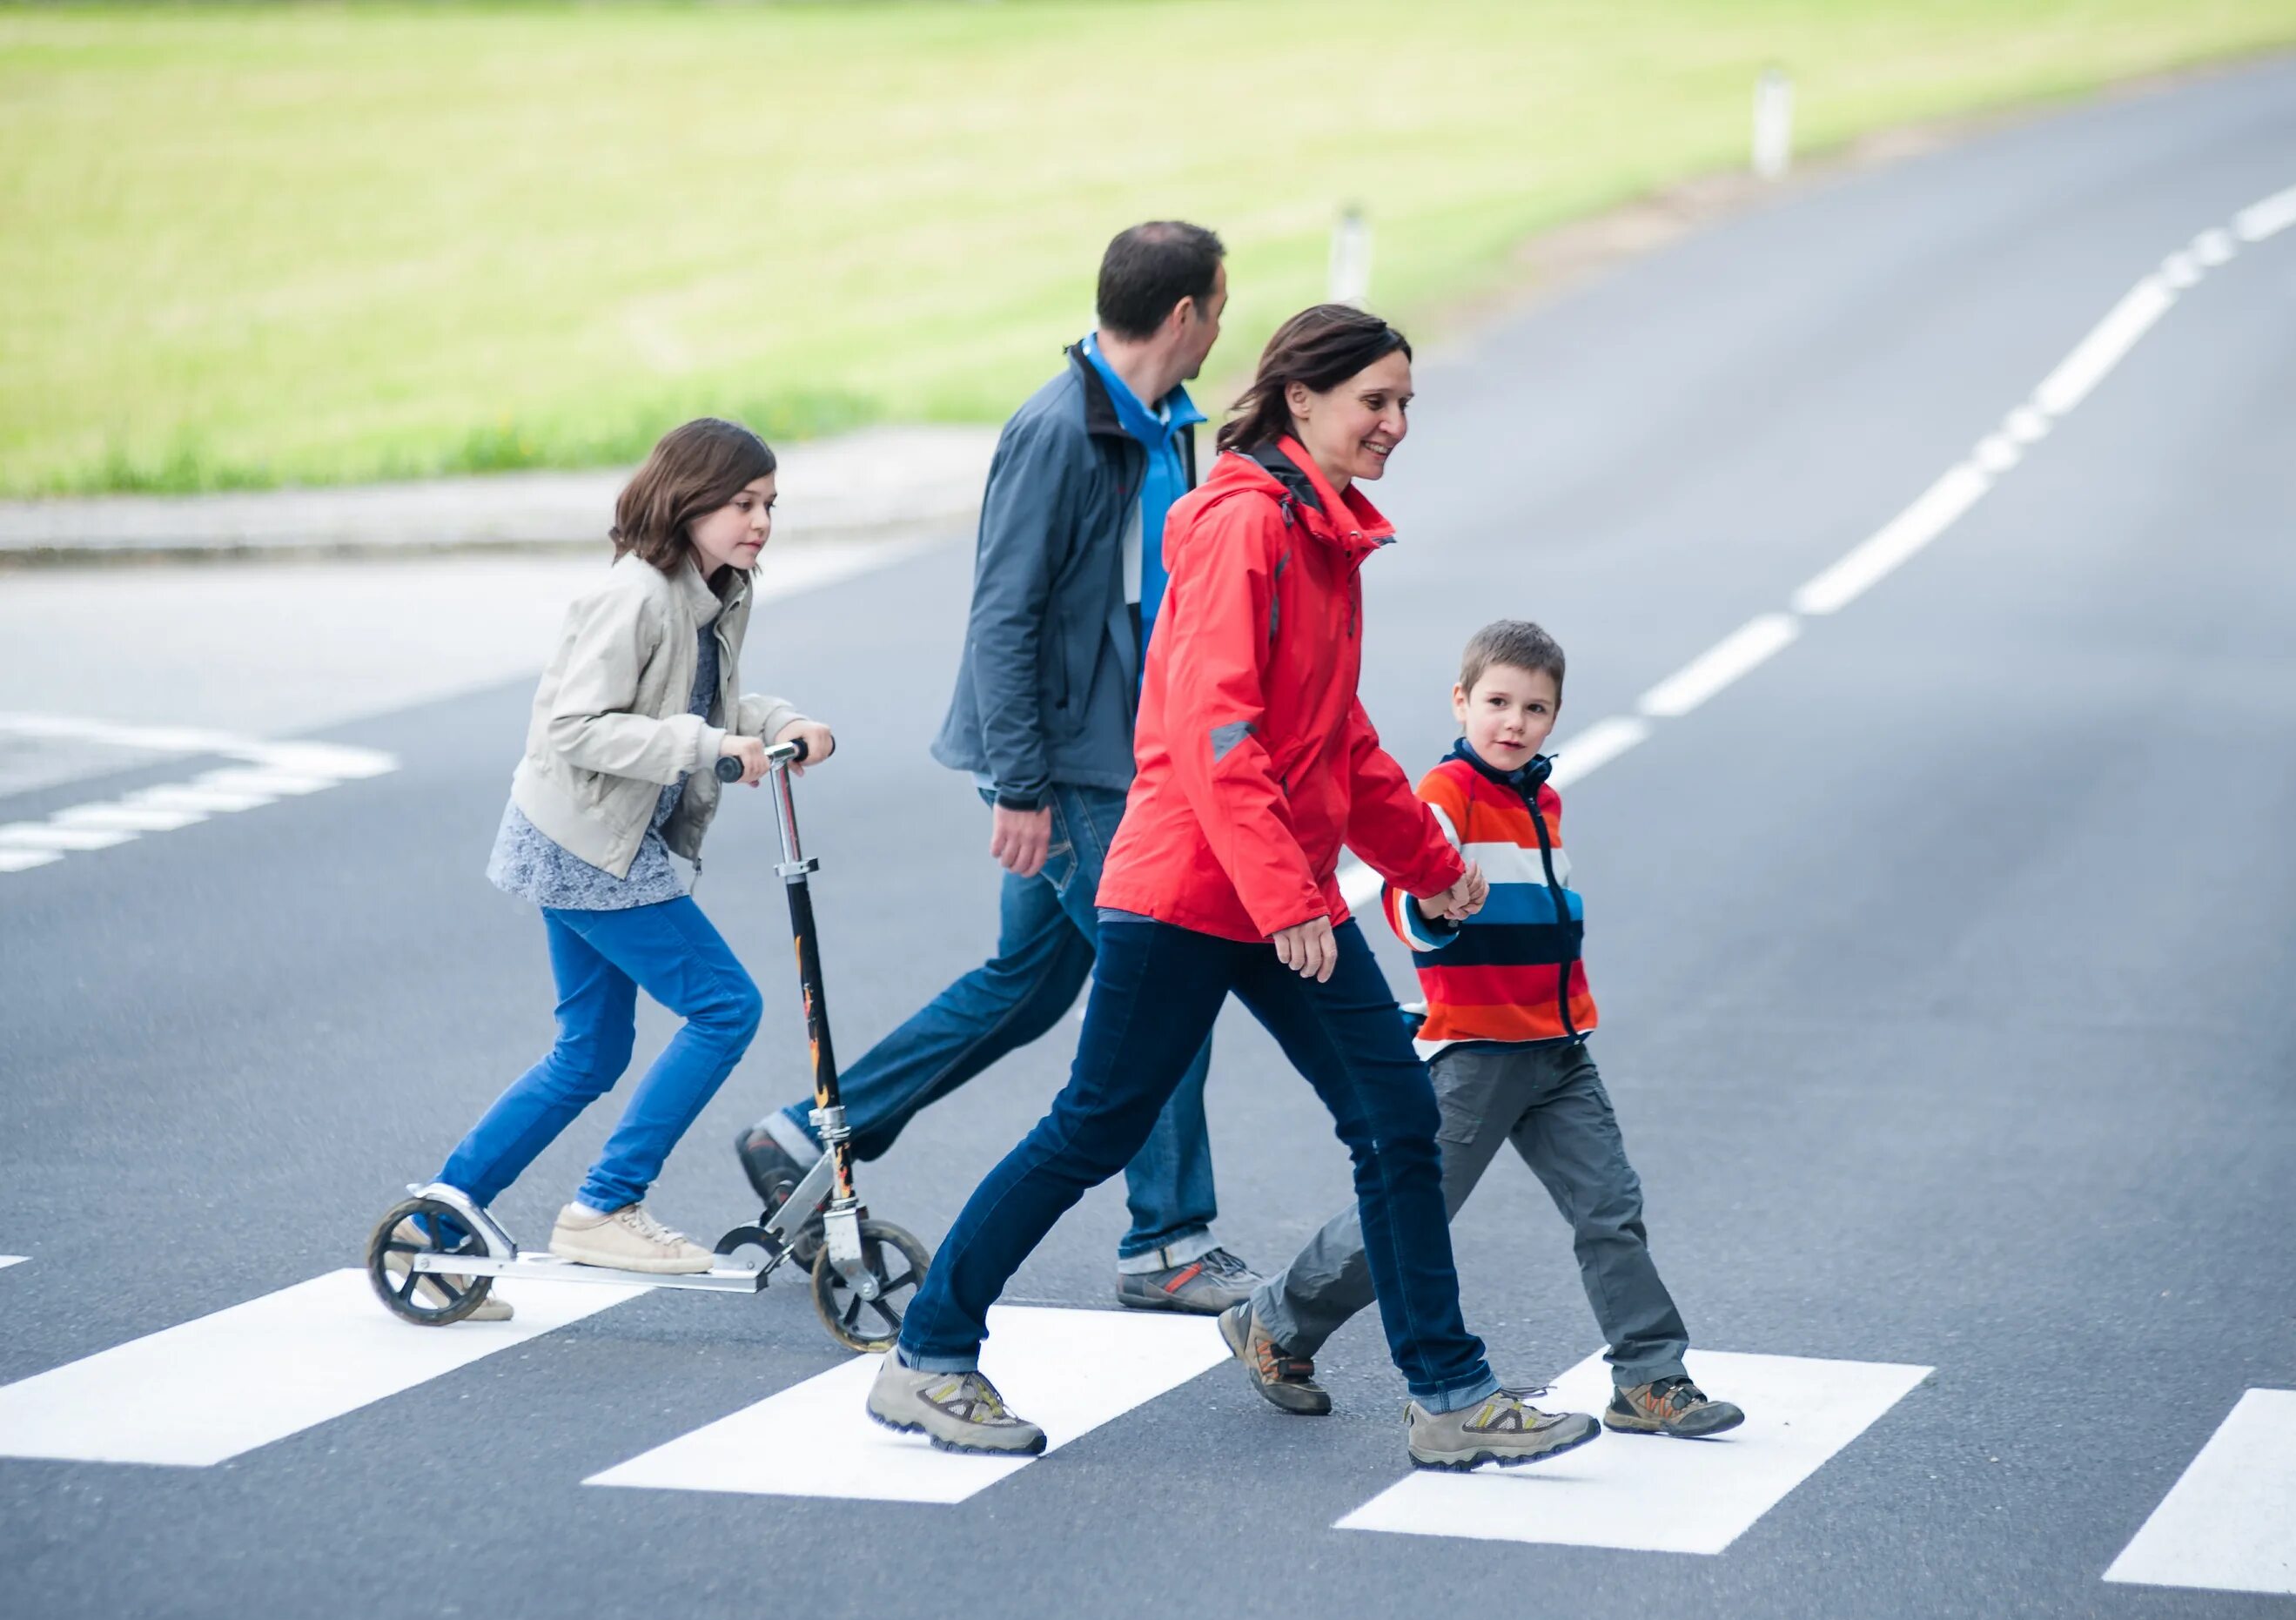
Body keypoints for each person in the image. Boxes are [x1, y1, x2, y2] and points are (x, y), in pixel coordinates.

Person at [864, 306, 1601, 1471]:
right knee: (1094, 1127)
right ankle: (930, 1356)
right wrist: (1291, 903)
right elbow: (1218, 733)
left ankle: (1449, 1395)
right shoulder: (1244, 527)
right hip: (1190, 891)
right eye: (1377, 401)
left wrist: (1434, 867)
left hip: (1274, 891)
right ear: (1301, 399)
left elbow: (1339, 738)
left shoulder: (1327, 532)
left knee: (1397, 1120)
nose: (1397, 424)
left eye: (1408, 403)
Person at [730, 222, 1259, 1314]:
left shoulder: (1160, 421)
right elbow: (1005, 613)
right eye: (1219, 306)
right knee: (1164, 981)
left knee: (1027, 987)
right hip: (1075, 767)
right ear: (1182, 317)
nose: (1222, 324)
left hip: (1125, 752)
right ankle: (1168, 1242)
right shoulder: (1060, 430)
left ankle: (807, 1131)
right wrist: (1022, 787)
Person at [1222, 620, 1746, 1438]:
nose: (1514, 723)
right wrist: (1431, 906)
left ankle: (1649, 1375)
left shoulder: (1542, 797)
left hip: (1559, 1048)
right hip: (1474, 1050)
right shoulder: (1445, 795)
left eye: (1536, 709)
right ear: (1461, 701)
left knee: (1610, 1208)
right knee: (1406, 1218)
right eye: (1498, 702)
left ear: (1555, 717)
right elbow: (1408, 898)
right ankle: (1278, 1321)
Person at [390, 418, 835, 1321]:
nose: (760, 522)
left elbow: (707, 697)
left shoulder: (722, 587)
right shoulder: (634, 595)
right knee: (726, 1006)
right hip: (589, 843)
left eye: (770, 505)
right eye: (743, 503)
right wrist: (711, 748)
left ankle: (435, 1231)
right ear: (690, 500)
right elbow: (574, 726)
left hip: (607, 841)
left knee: (589, 1051)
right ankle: (605, 1203)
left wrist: (780, 721)